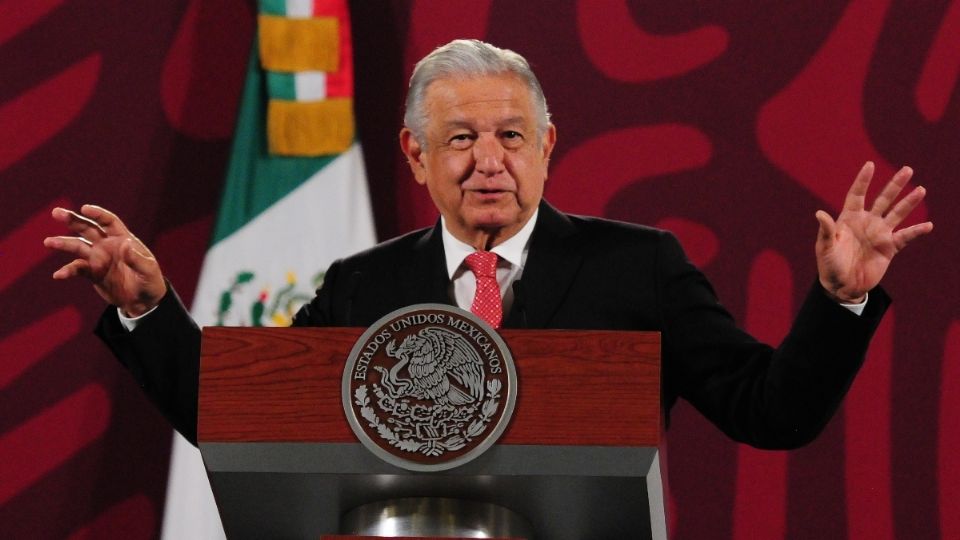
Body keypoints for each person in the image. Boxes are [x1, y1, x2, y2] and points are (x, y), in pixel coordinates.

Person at [44, 40, 932, 448]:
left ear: (547, 145)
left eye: (512, 136)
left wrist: (841, 300)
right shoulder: (361, 286)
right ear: (415, 155)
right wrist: (148, 308)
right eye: (460, 139)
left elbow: (770, 411)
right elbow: (239, 421)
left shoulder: (638, 266)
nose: (488, 162)